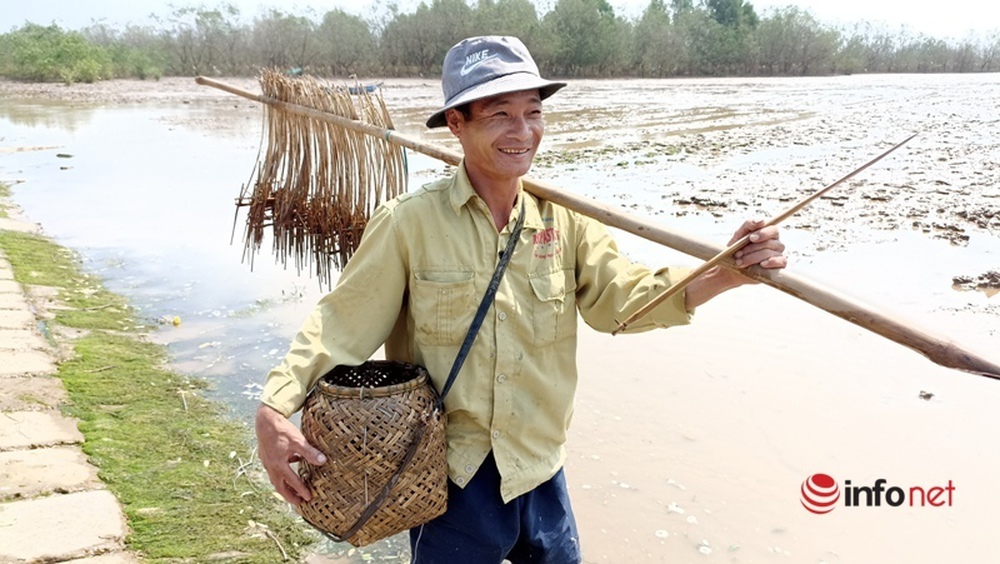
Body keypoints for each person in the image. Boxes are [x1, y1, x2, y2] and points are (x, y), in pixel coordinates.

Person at [254, 35, 786, 563]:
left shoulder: (565, 219)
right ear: (456, 125)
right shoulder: (408, 223)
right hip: (449, 479)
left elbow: (622, 302)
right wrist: (274, 408)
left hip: (540, 470)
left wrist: (726, 273)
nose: (523, 131)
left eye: (533, 112)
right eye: (500, 114)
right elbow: (341, 323)